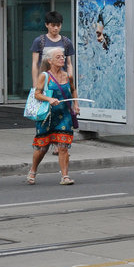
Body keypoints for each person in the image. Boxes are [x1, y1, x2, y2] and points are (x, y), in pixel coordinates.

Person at [27, 47, 80, 185]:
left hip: (64, 115)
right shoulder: (45, 76)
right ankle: (33, 170)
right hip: (47, 116)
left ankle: (65, 176)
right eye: (58, 57)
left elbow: (73, 90)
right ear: (50, 61)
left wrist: (76, 105)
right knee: (42, 147)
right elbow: (37, 94)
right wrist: (49, 99)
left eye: (63, 56)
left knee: (63, 146)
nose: (62, 59)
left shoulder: (68, 76)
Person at [30, 11, 75, 82]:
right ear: (46, 25)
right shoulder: (39, 41)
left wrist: (69, 81)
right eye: (53, 25)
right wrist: (35, 85)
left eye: (58, 25)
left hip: (61, 81)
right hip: (44, 81)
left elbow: (69, 64)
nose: (56, 28)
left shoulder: (66, 42)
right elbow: (35, 64)